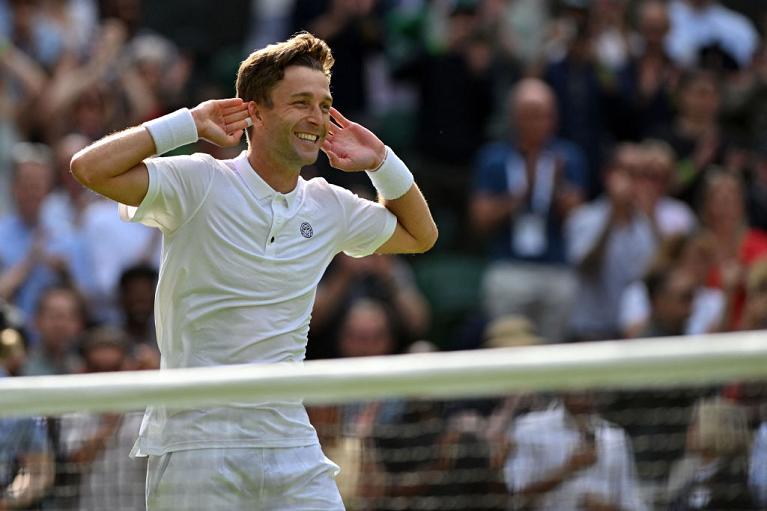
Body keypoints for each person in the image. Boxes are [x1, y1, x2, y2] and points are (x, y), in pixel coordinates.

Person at [70, 31, 437, 510]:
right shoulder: (198, 181)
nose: (317, 118)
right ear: (255, 112)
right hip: (195, 443)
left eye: (324, 105)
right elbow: (88, 168)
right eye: (301, 102)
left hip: (291, 445)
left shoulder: (330, 205)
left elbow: (421, 234)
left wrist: (382, 162)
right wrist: (186, 124)